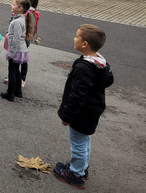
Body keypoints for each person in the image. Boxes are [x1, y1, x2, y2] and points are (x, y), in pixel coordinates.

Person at [54, 24, 113, 189]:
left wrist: (67, 117)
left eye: (76, 36)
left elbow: (77, 97)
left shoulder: (84, 68)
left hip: (82, 114)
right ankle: (80, 167)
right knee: (84, 141)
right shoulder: (99, 63)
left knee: (78, 142)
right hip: (92, 112)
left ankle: (76, 174)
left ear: (85, 44)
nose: (74, 38)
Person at [4, 0, 40, 88]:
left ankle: (20, 80)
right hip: (20, 41)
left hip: (21, 42)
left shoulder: (28, 15)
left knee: (20, 62)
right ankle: (17, 81)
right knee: (16, 64)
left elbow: (26, 30)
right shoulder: (21, 15)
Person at [1, 0, 33, 102]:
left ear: (20, 8)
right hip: (21, 50)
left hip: (17, 50)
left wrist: (12, 52)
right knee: (16, 70)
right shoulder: (22, 19)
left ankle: (10, 93)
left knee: (12, 71)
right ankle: (18, 91)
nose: (11, 5)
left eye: (14, 4)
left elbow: (16, 39)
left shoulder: (17, 22)